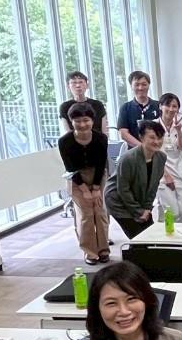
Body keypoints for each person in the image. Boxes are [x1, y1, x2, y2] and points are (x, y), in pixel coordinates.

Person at [59, 103, 112, 264]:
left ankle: (103, 249)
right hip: (76, 178)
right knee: (85, 214)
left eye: (86, 120)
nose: (82, 124)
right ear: (71, 121)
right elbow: (70, 168)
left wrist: (96, 188)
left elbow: (102, 163)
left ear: (92, 120)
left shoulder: (101, 138)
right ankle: (90, 252)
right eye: (77, 121)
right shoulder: (65, 141)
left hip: (98, 175)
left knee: (100, 212)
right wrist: (84, 190)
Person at [104, 120, 167, 239]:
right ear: (141, 138)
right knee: (139, 238)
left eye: (160, 138)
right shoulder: (128, 158)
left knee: (151, 236)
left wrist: (147, 209)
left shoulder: (161, 157)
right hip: (118, 201)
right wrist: (139, 211)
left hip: (138, 199)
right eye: (152, 137)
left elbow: (154, 186)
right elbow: (123, 189)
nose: (157, 141)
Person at [156, 92, 182, 223]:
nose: (171, 109)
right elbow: (152, 154)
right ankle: (164, 234)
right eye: (168, 105)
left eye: (174, 106)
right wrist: (165, 175)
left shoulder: (181, 126)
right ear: (160, 106)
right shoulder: (153, 126)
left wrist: (178, 130)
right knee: (172, 213)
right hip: (162, 174)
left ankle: (178, 236)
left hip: (181, 172)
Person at [116, 70, 159, 149]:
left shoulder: (158, 106)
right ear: (131, 86)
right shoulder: (125, 108)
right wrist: (143, 148)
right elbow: (123, 133)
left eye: (144, 84)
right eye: (137, 85)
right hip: (135, 152)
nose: (140, 88)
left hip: (157, 150)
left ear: (149, 85)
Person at [59, 70, 109, 135]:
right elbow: (67, 131)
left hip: (98, 140)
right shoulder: (64, 106)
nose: (78, 85)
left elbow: (104, 130)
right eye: (74, 83)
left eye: (81, 82)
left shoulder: (98, 104)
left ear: (87, 85)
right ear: (68, 86)